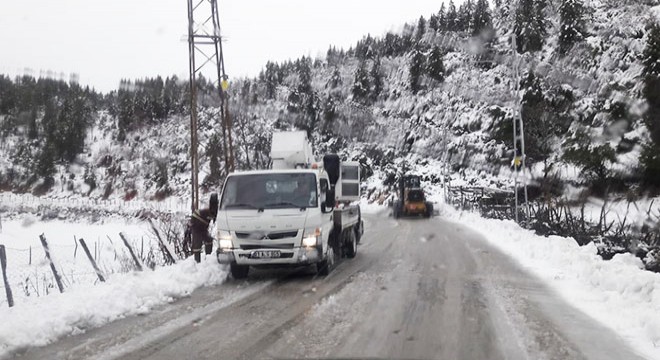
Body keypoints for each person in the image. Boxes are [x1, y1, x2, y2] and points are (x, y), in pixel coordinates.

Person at [189, 194, 219, 263]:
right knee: (197, 243)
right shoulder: (210, 210)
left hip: (202, 224)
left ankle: (208, 259)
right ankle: (197, 262)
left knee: (208, 240)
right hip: (196, 222)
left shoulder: (214, 210)